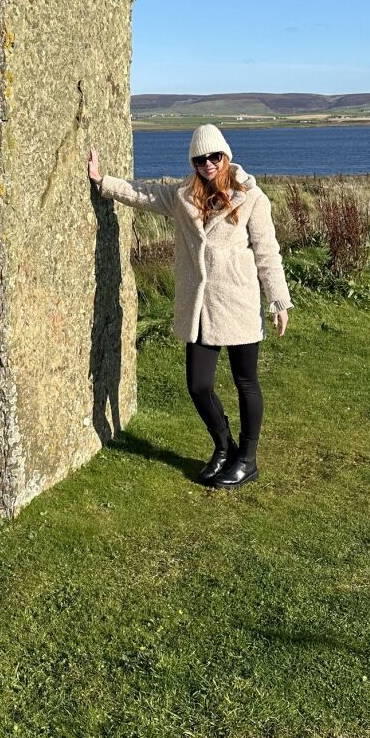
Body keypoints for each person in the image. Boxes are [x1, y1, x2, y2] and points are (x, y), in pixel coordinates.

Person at [87, 124, 292, 489]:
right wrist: (103, 181)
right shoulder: (183, 196)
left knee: (246, 382)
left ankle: (247, 459)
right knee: (198, 385)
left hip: (239, 300)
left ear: (225, 155)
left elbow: (267, 252)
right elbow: (144, 194)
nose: (208, 164)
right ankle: (224, 446)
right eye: (200, 159)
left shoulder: (252, 198)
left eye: (214, 157)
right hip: (200, 307)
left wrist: (278, 299)